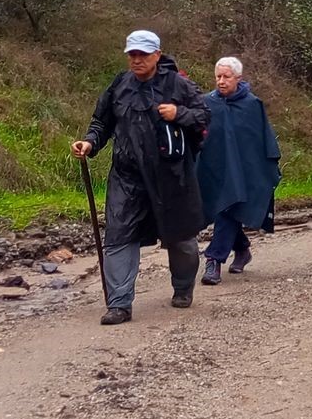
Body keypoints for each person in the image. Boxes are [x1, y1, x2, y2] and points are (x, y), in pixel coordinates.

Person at [71, 30, 210, 325]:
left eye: (142, 55)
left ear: (157, 55)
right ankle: (120, 304)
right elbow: (102, 121)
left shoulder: (179, 85)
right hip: (127, 176)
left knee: (181, 238)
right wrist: (90, 142)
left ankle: (183, 287)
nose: (136, 60)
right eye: (132, 54)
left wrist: (179, 113)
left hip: (172, 177)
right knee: (119, 235)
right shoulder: (120, 85)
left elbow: (204, 116)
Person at [196, 57, 281, 285]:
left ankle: (214, 259)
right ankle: (242, 248)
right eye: (218, 77)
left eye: (226, 77)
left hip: (244, 172)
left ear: (238, 78)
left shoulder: (252, 105)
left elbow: (261, 140)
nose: (221, 81)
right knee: (222, 207)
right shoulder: (206, 104)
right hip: (215, 169)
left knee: (230, 207)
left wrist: (266, 169)